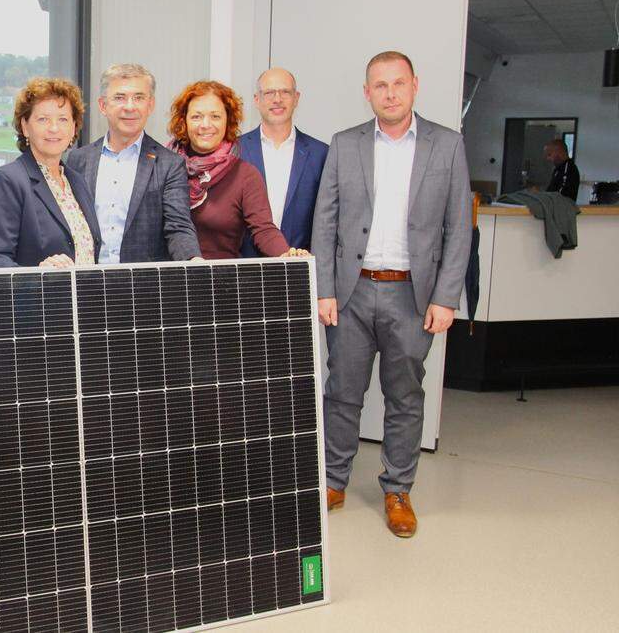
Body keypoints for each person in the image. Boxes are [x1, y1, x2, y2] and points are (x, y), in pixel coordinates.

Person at [312, 51, 471, 538]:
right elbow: (326, 221)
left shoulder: (447, 145)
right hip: (353, 292)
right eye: (380, 85)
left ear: (414, 86)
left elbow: (459, 228)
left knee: (404, 396)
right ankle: (333, 481)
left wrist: (446, 297)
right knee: (342, 392)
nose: (390, 93)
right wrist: (323, 290)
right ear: (367, 92)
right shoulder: (345, 144)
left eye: (398, 83)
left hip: (413, 295)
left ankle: (398, 489)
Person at [65, 63, 201, 263]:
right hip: (87, 284)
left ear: (150, 105)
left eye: (139, 98)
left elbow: (178, 226)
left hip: (142, 288)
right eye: (119, 97)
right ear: (103, 105)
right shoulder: (77, 160)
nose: (130, 106)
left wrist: (193, 259)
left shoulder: (170, 164)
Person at [165, 79, 305, 259]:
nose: (205, 125)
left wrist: (286, 255)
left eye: (215, 116)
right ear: (183, 120)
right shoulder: (165, 165)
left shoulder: (245, 175)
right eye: (196, 116)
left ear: (228, 121)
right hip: (168, 281)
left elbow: (264, 229)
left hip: (222, 280)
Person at [0, 77, 101, 268]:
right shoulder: (8, 181)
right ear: (25, 127)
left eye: (63, 119)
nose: (54, 128)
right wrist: (38, 275)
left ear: (74, 128)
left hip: (83, 297)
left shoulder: (77, 182)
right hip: (37, 297)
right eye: (43, 119)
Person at [238, 67, 329, 255]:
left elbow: (326, 221)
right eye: (269, 92)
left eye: (285, 92)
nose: (277, 99)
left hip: (298, 268)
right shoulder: (235, 150)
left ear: (296, 98)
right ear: (257, 100)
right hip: (244, 271)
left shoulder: (321, 154)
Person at [543, 138, 580, 203]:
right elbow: (551, 191)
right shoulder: (557, 170)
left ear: (559, 152)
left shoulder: (569, 169)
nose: (548, 159)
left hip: (563, 210)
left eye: (549, 155)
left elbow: (562, 195)